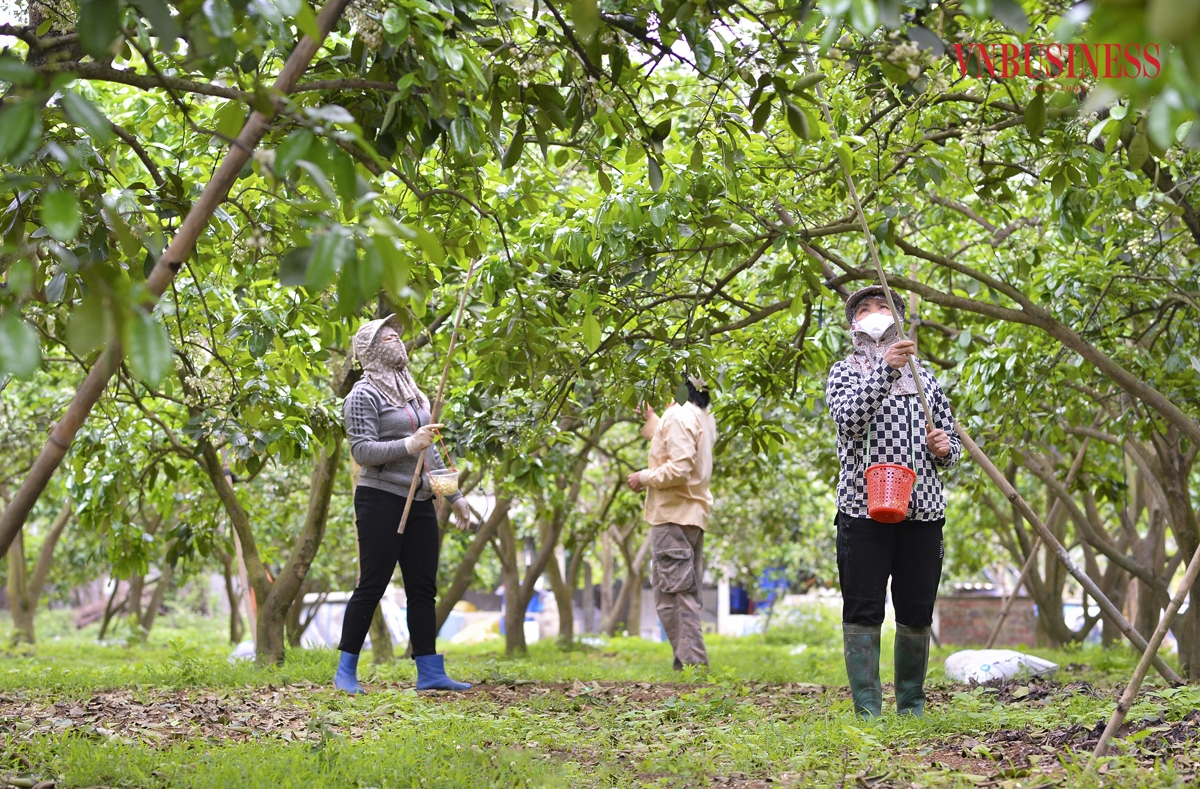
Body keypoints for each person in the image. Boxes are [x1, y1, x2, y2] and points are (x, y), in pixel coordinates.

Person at [825, 285, 961, 718]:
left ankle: (912, 706)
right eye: (863, 309)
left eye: (882, 306)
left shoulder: (927, 379)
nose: (873, 313)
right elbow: (848, 422)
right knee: (863, 608)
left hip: (922, 509)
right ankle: (868, 710)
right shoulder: (845, 373)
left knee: (916, 609)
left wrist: (944, 447)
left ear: (900, 319)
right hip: (862, 508)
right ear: (853, 326)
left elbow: (952, 447)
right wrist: (884, 370)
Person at [335, 315, 473, 694]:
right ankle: (346, 670)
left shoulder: (413, 392)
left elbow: (432, 456)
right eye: (386, 335)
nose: (396, 338)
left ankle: (429, 670)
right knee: (373, 584)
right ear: (370, 349)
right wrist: (408, 444)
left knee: (423, 587)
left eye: (397, 333)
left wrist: (455, 497)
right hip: (381, 500)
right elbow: (362, 451)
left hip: (421, 502)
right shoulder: (362, 395)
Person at [627, 375, 717, 670]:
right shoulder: (702, 416)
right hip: (690, 515)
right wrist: (653, 419)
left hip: (673, 515)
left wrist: (644, 477)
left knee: (672, 597)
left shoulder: (679, 414)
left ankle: (694, 666)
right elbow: (670, 440)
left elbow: (679, 467)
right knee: (682, 593)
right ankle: (686, 668)